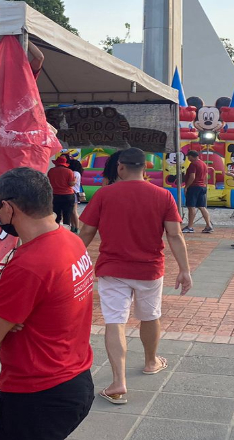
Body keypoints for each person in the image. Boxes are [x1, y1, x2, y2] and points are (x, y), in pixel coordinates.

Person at [0, 168, 95, 440]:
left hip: (36, 394)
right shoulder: (71, 240)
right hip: (74, 376)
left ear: (8, 207)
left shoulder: (31, 264)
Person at [78, 147, 192, 405]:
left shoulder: (104, 194)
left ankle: (118, 382)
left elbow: (86, 232)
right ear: (145, 168)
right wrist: (185, 269)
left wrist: (68, 258)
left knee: (115, 321)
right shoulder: (163, 195)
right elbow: (175, 235)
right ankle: (151, 362)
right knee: (150, 316)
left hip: (112, 270)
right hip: (149, 269)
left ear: (120, 167)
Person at [182, 150, 212, 233]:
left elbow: (192, 177)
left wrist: (186, 186)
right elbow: (206, 176)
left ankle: (190, 226)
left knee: (191, 207)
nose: (188, 158)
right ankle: (208, 225)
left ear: (192, 156)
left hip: (194, 187)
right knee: (202, 206)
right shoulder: (204, 164)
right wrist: (205, 185)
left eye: (189, 157)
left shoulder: (193, 164)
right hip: (202, 186)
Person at [47, 156, 78, 232]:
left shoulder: (51, 171)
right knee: (67, 215)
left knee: (56, 215)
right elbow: (71, 183)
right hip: (68, 196)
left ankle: (55, 231)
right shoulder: (69, 171)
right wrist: (75, 180)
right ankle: (66, 232)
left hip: (55, 195)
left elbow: (48, 182)